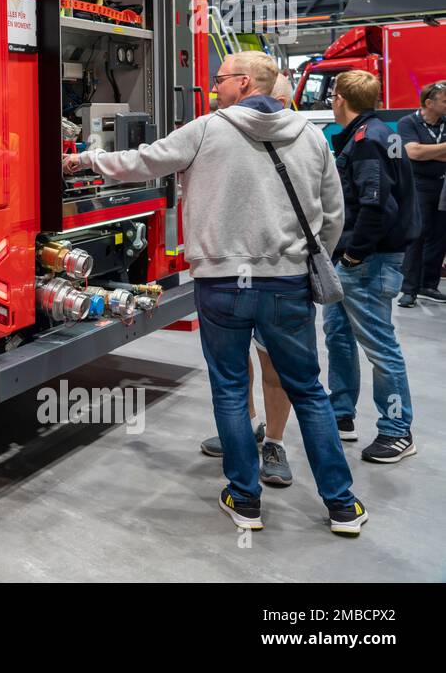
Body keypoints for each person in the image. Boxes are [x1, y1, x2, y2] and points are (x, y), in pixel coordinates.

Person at [64, 51, 366, 535]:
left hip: (222, 283)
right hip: (287, 286)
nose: (214, 86)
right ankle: (342, 505)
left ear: (245, 83)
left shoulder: (207, 130)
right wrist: (299, 262)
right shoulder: (312, 137)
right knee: (308, 388)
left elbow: (141, 162)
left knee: (229, 387)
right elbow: (334, 216)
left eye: (220, 79)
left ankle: (246, 500)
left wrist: (82, 158)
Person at [198, 73, 299, 487]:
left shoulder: (301, 137)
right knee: (236, 359)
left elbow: (327, 211)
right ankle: (246, 428)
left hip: (277, 273)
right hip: (232, 273)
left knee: (274, 363)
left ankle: (274, 443)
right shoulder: (224, 132)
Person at [325, 71, 419, 463]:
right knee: (338, 336)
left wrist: (353, 255)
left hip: (368, 259)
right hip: (358, 257)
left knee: (380, 345)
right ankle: (341, 413)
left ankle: (397, 430)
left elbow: (376, 205)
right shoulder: (381, 132)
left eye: (333, 94)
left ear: (341, 98)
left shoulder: (367, 142)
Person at [396, 81, 446, 307]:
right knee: (417, 235)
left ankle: (429, 284)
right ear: (429, 103)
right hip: (419, 186)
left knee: (440, 236)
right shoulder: (408, 123)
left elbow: (421, 151)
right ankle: (409, 289)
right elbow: (412, 151)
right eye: (444, 100)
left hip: (443, 185)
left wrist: (428, 152)